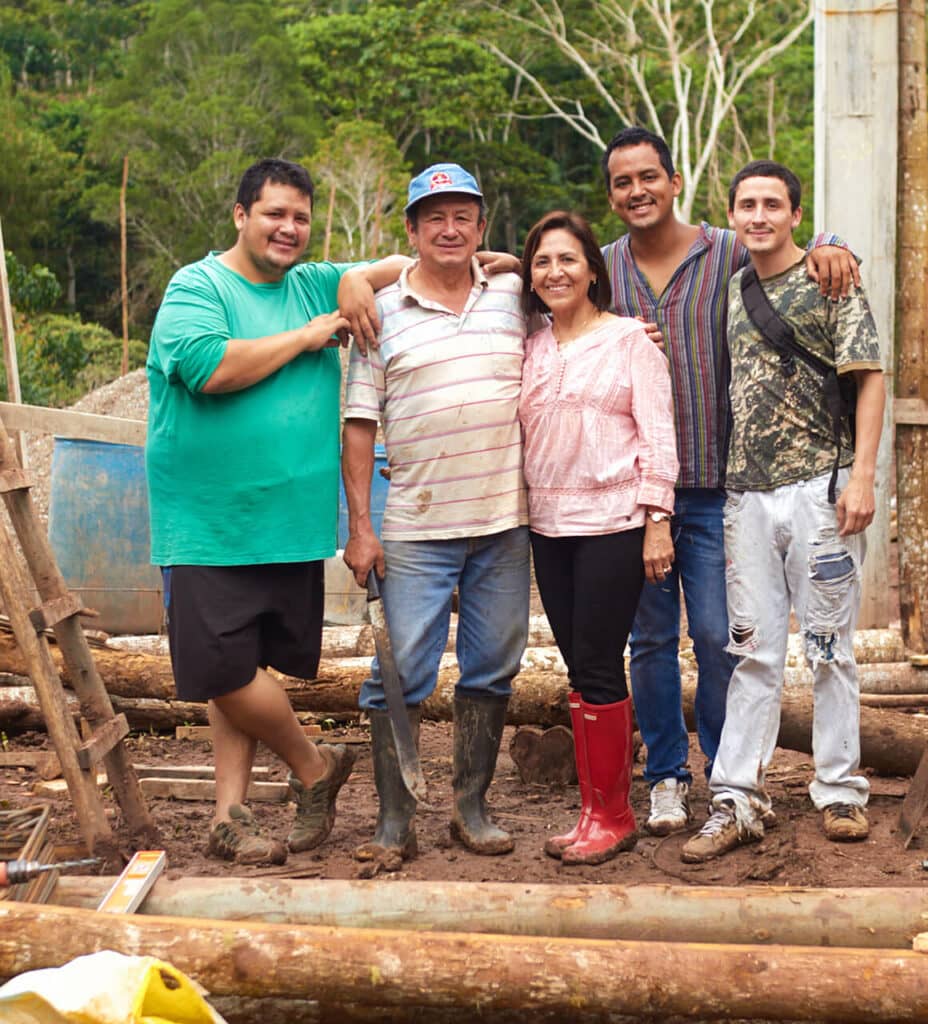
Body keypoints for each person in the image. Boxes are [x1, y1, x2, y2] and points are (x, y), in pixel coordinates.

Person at [146, 158, 408, 865]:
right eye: (273, 214)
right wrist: (305, 336)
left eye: (300, 217)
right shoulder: (197, 286)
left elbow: (402, 265)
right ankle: (314, 764)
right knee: (220, 671)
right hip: (209, 522)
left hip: (289, 521)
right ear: (241, 216)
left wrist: (355, 280)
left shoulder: (314, 282)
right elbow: (209, 368)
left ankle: (228, 815)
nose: (288, 228)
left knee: (246, 669)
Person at [600, 126, 861, 835]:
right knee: (650, 641)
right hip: (637, 492)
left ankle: (726, 773)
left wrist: (835, 241)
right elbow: (543, 284)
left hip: (720, 483)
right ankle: (665, 775)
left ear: (675, 182)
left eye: (648, 177)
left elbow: (787, 245)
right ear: (612, 195)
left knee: (722, 636)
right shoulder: (604, 268)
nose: (637, 191)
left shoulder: (725, 250)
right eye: (623, 182)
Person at [681, 160, 884, 862]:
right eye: (748, 205)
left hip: (821, 491)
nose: (759, 216)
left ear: (797, 215)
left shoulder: (831, 279)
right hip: (746, 497)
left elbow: (869, 378)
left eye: (773, 204)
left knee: (829, 649)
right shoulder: (733, 286)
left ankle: (839, 789)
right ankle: (737, 796)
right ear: (732, 215)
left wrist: (862, 477)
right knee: (753, 652)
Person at [342, 163, 529, 866]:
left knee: (493, 667)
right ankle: (395, 821)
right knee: (399, 673)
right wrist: (361, 527)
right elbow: (359, 425)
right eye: (434, 219)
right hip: (416, 528)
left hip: (504, 521)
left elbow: (578, 285)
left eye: (462, 218)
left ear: (481, 227)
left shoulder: (514, 295)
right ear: (413, 231)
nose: (449, 230)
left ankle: (470, 808)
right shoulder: (379, 311)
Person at [518, 210, 678, 866]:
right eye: (541, 261)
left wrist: (658, 520)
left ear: (592, 270)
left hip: (614, 523)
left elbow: (659, 434)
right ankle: (591, 810)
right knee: (578, 668)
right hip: (548, 526)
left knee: (599, 662)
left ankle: (614, 815)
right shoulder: (530, 347)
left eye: (567, 259)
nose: (554, 272)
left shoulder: (631, 341)